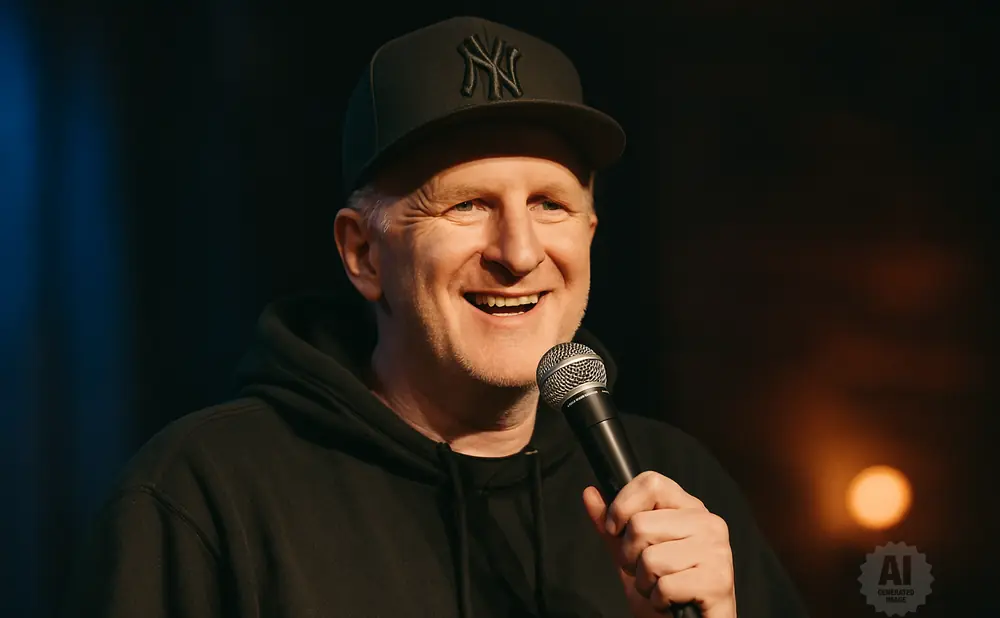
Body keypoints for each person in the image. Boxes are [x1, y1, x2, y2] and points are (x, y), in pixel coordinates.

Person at [64, 16, 809, 618]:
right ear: (363, 254)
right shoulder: (203, 496)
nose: (518, 253)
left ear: (589, 233)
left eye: (549, 204)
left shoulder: (674, 486)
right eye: (468, 205)